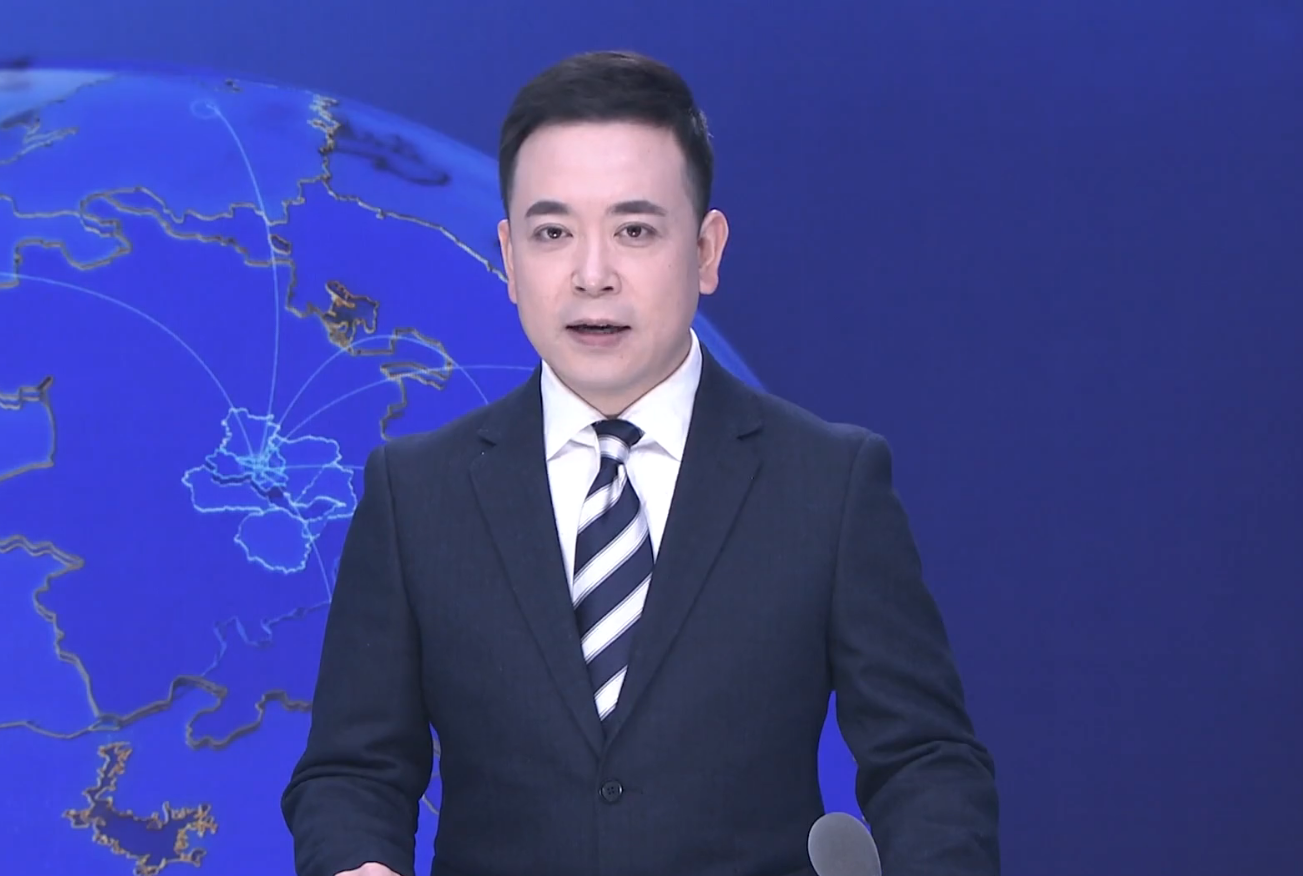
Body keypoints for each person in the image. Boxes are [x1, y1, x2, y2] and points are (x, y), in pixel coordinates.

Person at [280, 49, 1001, 876]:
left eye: (634, 230)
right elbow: (352, 772)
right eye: (553, 233)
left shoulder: (827, 486)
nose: (592, 275)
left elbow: (925, 761)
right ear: (509, 257)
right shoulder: (416, 494)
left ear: (705, 250)